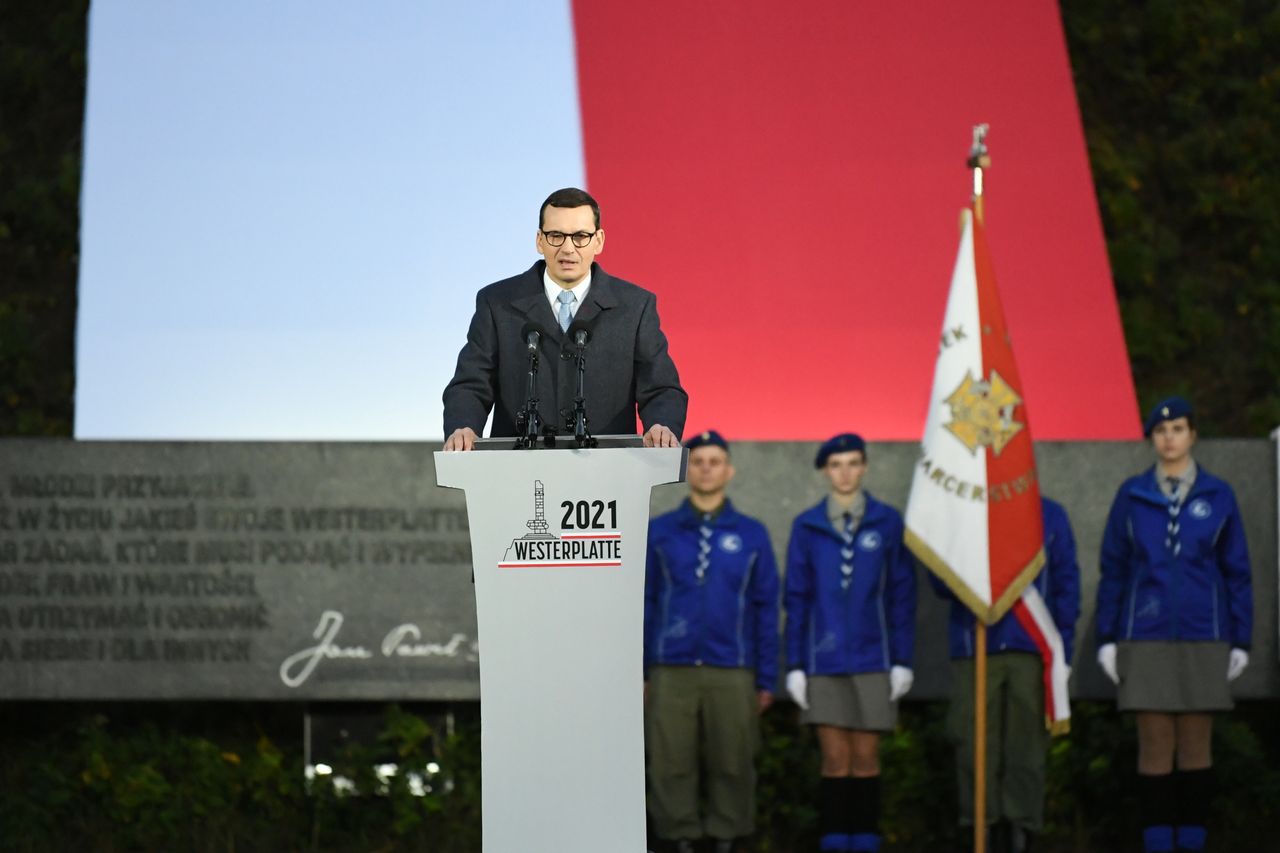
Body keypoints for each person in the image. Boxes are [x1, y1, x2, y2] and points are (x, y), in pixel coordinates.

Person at [1095, 397, 1252, 853]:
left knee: (1196, 744)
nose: (1170, 438)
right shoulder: (1132, 495)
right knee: (1155, 742)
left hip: (1205, 633)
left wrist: (1240, 638)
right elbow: (1115, 569)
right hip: (1144, 634)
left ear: (1193, 435)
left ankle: (1193, 841)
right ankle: (1159, 841)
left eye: (1178, 429)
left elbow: (1236, 570)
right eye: (1161, 431)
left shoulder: (1218, 495)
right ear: (1152, 439)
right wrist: (1108, 637)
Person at [442, 187, 686, 449]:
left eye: (581, 236)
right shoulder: (497, 303)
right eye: (556, 236)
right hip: (519, 469)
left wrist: (661, 425)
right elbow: (470, 384)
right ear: (540, 241)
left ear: (599, 240)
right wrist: (463, 427)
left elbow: (661, 388)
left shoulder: (635, 306)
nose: (568, 248)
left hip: (608, 471)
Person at [644, 431, 779, 853]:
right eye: (698, 461)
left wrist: (767, 677)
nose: (706, 468)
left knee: (733, 762)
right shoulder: (660, 531)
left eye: (714, 461)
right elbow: (645, 602)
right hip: (671, 668)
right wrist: (643, 669)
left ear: (729, 469)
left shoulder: (752, 534)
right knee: (670, 762)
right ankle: (677, 837)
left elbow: (766, 606)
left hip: (732, 667)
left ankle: (728, 837)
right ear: (688, 470)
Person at [783, 433, 916, 853]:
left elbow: (901, 593)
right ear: (825, 470)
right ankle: (834, 839)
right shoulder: (807, 525)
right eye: (836, 464)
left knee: (865, 760)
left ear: (864, 467)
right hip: (823, 661)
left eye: (853, 463)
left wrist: (902, 659)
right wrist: (796, 664)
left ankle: (866, 840)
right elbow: (797, 597)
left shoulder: (887, 522)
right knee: (835, 761)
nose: (845, 472)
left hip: (873, 658)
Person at [929, 497, 1080, 853]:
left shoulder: (1049, 513)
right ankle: (981, 828)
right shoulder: (963, 508)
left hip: (1030, 646)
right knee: (973, 742)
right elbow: (938, 580)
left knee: (1025, 746)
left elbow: (1066, 581)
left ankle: (1021, 831)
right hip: (975, 642)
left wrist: (1064, 647)